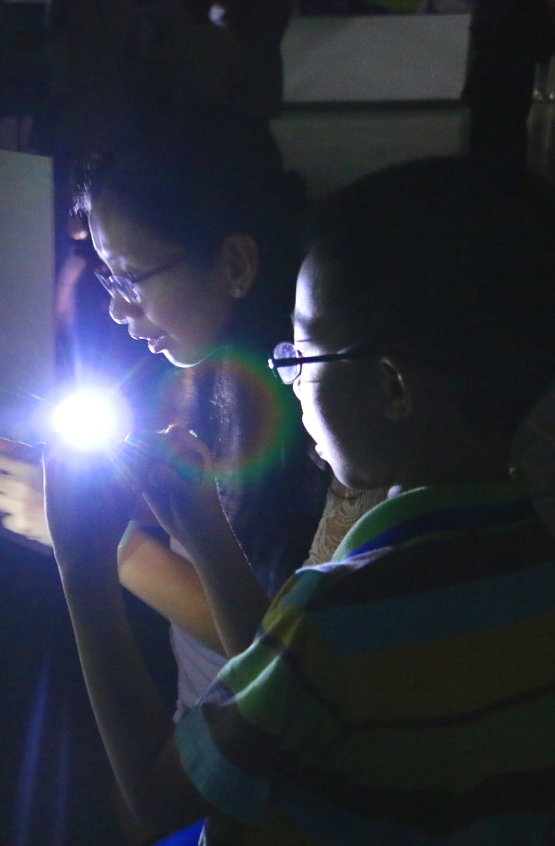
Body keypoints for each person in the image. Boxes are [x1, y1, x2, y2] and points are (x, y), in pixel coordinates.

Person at [42, 155, 555, 843]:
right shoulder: (533, 560)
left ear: (391, 389)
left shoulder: (336, 612)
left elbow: (153, 801)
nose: (287, 377)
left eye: (304, 354)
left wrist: (83, 565)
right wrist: (201, 526)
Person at [0, 110, 330, 715]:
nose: (117, 309)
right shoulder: (201, 364)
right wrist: (84, 497)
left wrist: (97, 543)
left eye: (132, 278)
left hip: (254, 739)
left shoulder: (318, 423)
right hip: (202, 716)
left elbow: (275, 650)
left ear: (236, 264)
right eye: (109, 279)